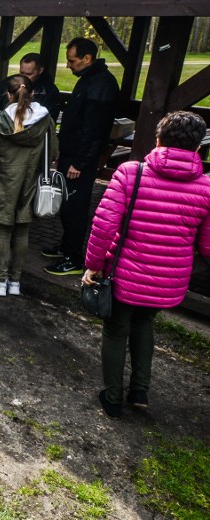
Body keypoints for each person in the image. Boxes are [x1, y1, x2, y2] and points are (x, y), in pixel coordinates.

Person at [83, 111, 210, 418]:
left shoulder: (131, 173)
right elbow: (206, 246)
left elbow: (104, 226)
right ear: (197, 148)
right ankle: (140, 391)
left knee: (116, 330)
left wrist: (93, 265)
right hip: (170, 279)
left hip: (125, 273)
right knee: (145, 323)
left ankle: (112, 398)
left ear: (158, 139)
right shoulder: (207, 187)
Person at [43, 37, 118, 276]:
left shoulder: (101, 85)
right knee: (67, 205)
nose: (68, 65)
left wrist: (80, 162)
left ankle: (74, 258)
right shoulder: (89, 80)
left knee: (75, 208)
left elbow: (94, 130)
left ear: (87, 58)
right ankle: (66, 247)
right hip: (72, 155)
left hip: (79, 160)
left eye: (72, 60)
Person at [0, 53, 61, 242]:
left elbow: (48, 123)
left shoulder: (49, 92)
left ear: (40, 71)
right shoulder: (9, 83)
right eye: (22, 72)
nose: (25, 76)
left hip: (28, 156)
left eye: (30, 73)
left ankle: (12, 233)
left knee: (22, 196)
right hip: (4, 151)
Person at [0, 75, 56, 297]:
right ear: (33, 94)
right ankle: (15, 282)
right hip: (31, 181)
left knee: (3, 231)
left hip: (5, 181)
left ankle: (0, 281)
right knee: (23, 231)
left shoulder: (0, 121)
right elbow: (52, 153)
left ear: (8, 95)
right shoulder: (45, 120)